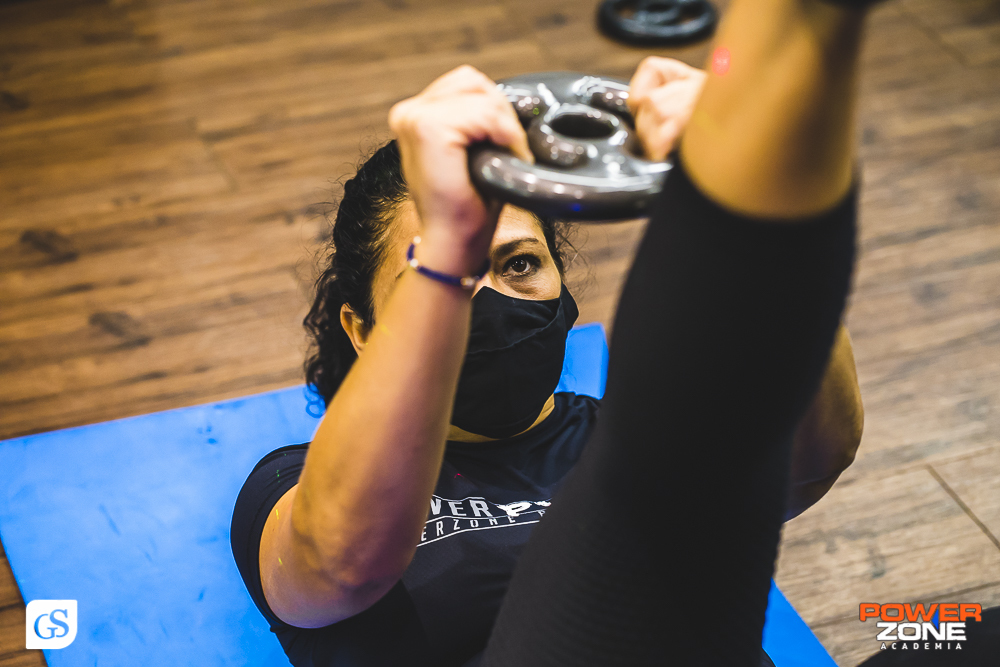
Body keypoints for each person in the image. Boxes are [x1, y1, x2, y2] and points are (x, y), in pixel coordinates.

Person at [230, 0, 876, 664]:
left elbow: (817, 452)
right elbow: (338, 566)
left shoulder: (627, 437)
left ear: (563, 289)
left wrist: (764, 165)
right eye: (452, 271)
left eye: (518, 264)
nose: (491, 298)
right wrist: (450, 242)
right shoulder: (288, 486)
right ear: (360, 329)